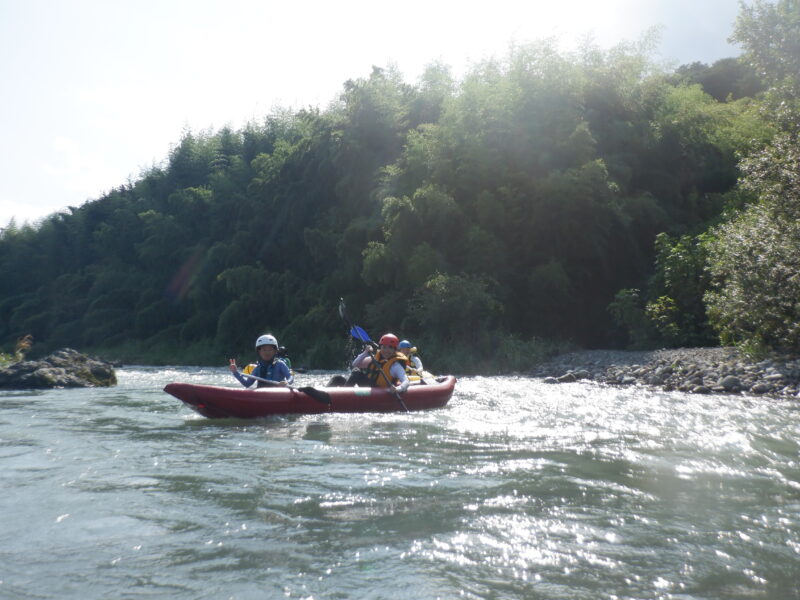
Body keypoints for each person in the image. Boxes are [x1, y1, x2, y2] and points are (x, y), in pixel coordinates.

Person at [328, 333, 410, 394]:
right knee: (337, 378)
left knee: (356, 373)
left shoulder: (395, 366)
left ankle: (343, 396)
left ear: (395, 350)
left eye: (390, 348)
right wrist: (365, 353)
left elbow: (406, 381)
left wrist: (398, 389)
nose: (386, 350)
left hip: (380, 392)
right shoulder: (376, 358)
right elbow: (355, 364)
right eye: (384, 347)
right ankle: (325, 394)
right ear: (380, 347)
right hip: (370, 387)